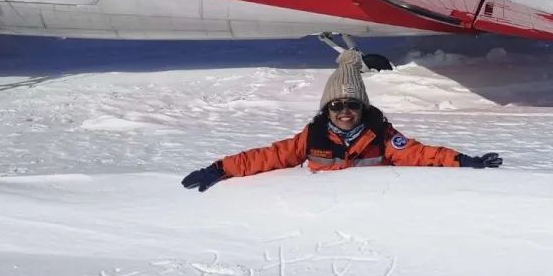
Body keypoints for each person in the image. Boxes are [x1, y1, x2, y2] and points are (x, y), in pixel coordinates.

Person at [182, 51, 502, 192]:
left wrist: (463, 161)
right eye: (337, 105)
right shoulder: (313, 138)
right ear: (328, 109)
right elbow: (270, 157)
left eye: (352, 104)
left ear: (362, 107)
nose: (345, 111)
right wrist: (222, 168)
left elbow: (421, 155)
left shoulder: (382, 137)